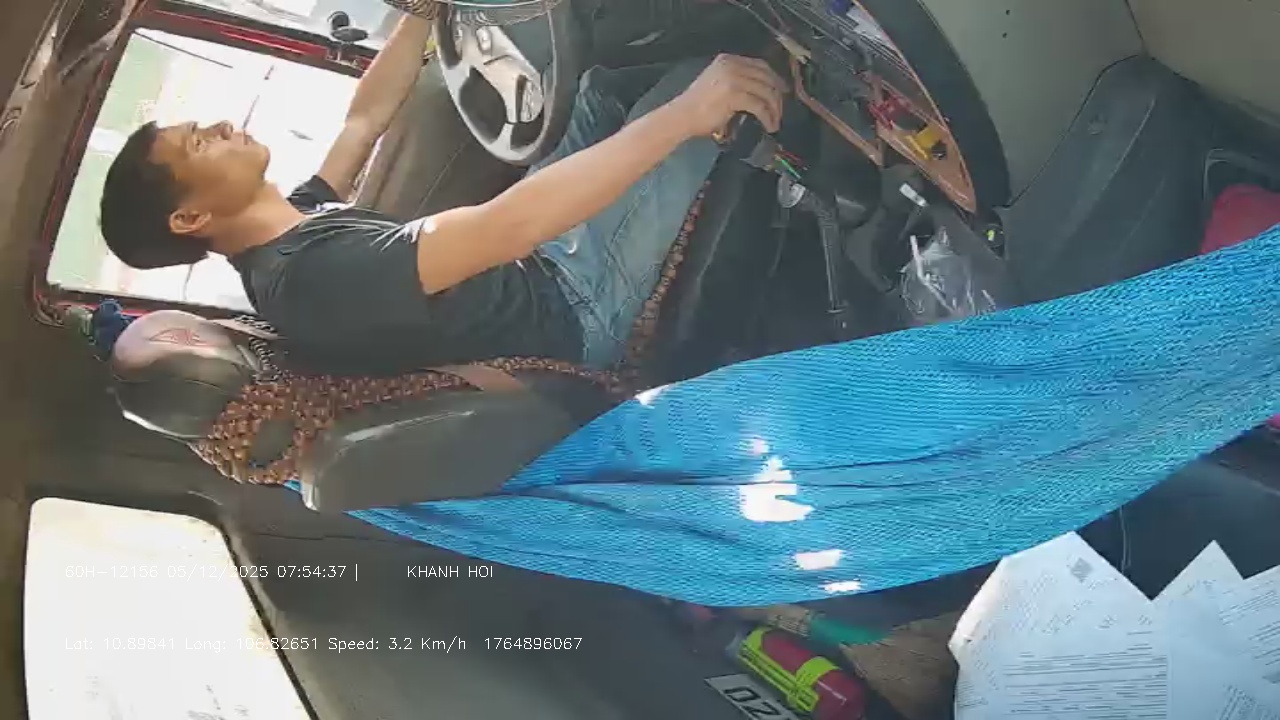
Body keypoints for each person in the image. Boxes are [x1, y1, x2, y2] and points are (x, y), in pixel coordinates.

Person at [99, 11, 786, 377]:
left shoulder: (294, 219)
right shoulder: (308, 281)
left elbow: (364, 120)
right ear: (191, 216)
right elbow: (504, 229)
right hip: (572, 304)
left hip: (538, 259)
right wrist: (687, 114)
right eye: (199, 143)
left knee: (600, 81)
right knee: (704, 85)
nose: (222, 126)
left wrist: (421, 15)